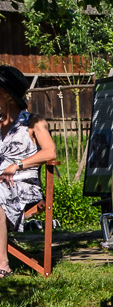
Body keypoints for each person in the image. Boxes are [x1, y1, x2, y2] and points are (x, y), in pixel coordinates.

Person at [0, 65, 57, 277]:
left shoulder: (33, 121)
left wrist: (17, 165)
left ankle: (3, 266)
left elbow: (50, 152)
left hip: (24, 188)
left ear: (6, 94)